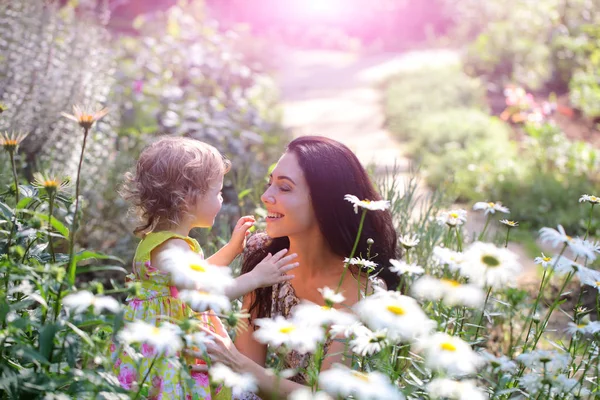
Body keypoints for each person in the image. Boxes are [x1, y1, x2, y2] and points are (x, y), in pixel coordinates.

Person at [188, 136, 400, 399]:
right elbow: (247, 373)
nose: (266, 197)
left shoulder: (363, 292)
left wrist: (234, 362)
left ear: (325, 202)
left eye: (284, 188)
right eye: (270, 184)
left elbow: (327, 396)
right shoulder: (265, 256)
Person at [109, 137, 299, 400]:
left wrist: (232, 248)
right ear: (188, 197)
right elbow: (199, 299)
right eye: (217, 192)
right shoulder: (172, 249)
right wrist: (254, 278)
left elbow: (198, 276)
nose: (221, 199)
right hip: (170, 350)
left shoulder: (166, 242)